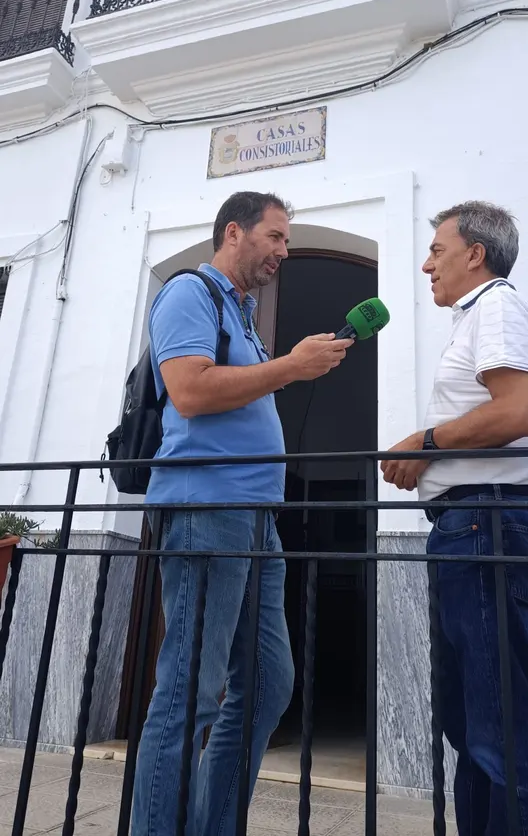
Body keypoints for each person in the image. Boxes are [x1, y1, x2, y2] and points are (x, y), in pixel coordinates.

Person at [132, 191, 353, 836]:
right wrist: (291, 367)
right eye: (277, 237)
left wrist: (285, 366)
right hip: (208, 508)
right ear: (235, 232)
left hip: (255, 517)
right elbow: (191, 390)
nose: (285, 251)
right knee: (188, 693)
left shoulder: (244, 314)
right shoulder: (188, 294)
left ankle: (212, 824)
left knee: (267, 684)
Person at [381, 201, 528, 836]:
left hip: (488, 522)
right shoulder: (477, 319)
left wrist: (424, 444)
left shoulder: (499, 308)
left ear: (475, 254)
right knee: (473, 725)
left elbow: (517, 412)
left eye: (438, 249)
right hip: (472, 524)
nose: (427, 263)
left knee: (497, 728)